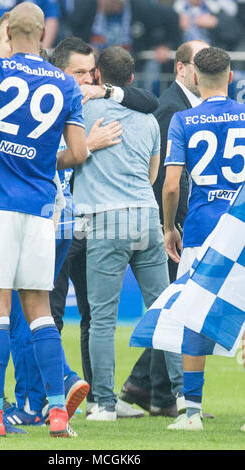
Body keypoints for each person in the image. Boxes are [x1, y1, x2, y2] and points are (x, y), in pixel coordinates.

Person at [0, 1, 87, 438]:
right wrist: (45, 163)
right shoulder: (66, 83)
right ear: (44, 35)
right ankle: (58, 414)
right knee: (40, 312)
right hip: (42, 211)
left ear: (9, 34)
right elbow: (79, 154)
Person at [5, 36, 160, 423]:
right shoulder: (47, 106)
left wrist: (103, 90)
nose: (87, 81)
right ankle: (45, 397)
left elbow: (149, 101)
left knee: (93, 314)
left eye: (92, 73)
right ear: (58, 73)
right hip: (52, 222)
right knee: (48, 313)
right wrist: (85, 147)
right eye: (79, 74)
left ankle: (98, 398)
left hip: (87, 222)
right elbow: (33, 164)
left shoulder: (92, 103)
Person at [72, 45, 170, 421]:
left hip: (103, 217)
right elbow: (152, 174)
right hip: (146, 215)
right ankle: (181, 400)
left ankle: (104, 404)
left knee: (101, 318)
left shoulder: (82, 109)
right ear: (131, 78)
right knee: (163, 312)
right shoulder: (147, 119)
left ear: (97, 75)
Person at [119, 39, 209, 418]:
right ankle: (156, 392)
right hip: (173, 226)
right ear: (181, 68)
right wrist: (169, 223)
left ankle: (146, 388)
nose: (204, 69)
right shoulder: (173, 108)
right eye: (198, 62)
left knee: (175, 308)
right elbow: (165, 177)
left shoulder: (191, 108)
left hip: (179, 224)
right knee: (178, 310)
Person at [163, 45, 245, 430]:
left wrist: (168, 228)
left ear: (194, 78)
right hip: (241, 233)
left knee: (193, 318)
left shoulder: (182, 120)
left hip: (200, 232)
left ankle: (192, 413)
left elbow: (172, 185)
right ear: (230, 77)